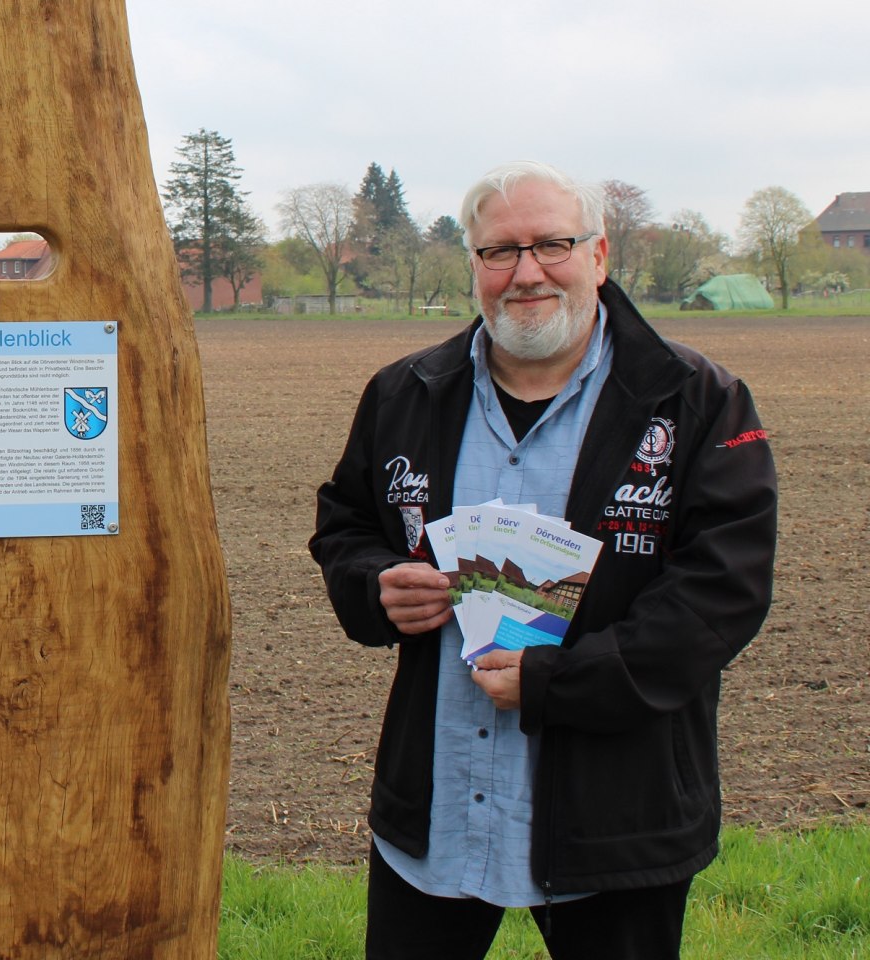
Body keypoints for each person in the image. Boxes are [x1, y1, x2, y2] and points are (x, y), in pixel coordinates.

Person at [308, 160, 776, 959]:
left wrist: (561, 684)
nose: (526, 273)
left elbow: (721, 593)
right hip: (439, 810)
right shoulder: (404, 394)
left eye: (551, 245)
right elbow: (345, 525)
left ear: (598, 257)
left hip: (619, 820)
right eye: (499, 252)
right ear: (475, 269)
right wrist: (374, 586)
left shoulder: (696, 400)